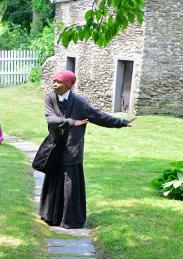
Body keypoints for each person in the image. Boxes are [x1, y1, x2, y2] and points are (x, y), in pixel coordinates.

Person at [40, 70, 134, 229]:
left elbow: (99, 116)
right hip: (55, 147)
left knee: (70, 183)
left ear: (68, 85)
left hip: (72, 148)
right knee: (54, 179)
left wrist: (120, 122)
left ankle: (69, 219)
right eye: (54, 81)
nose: (54, 84)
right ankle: (51, 216)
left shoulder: (79, 102)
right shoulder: (50, 98)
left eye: (59, 82)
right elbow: (51, 119)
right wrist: (72, 122)